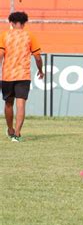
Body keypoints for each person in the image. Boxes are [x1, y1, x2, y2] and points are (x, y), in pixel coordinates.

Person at [0, 11, 44, 142]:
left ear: (11, 23)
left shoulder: (4, 35)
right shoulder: (29, 36)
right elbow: (37, 56)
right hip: (23, 75)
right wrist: (40, 70)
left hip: (7, 75)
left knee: (8, 103)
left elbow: (1, 55)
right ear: (24, 23)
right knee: (21, 104)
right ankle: (17, 133)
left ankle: (10, 129)